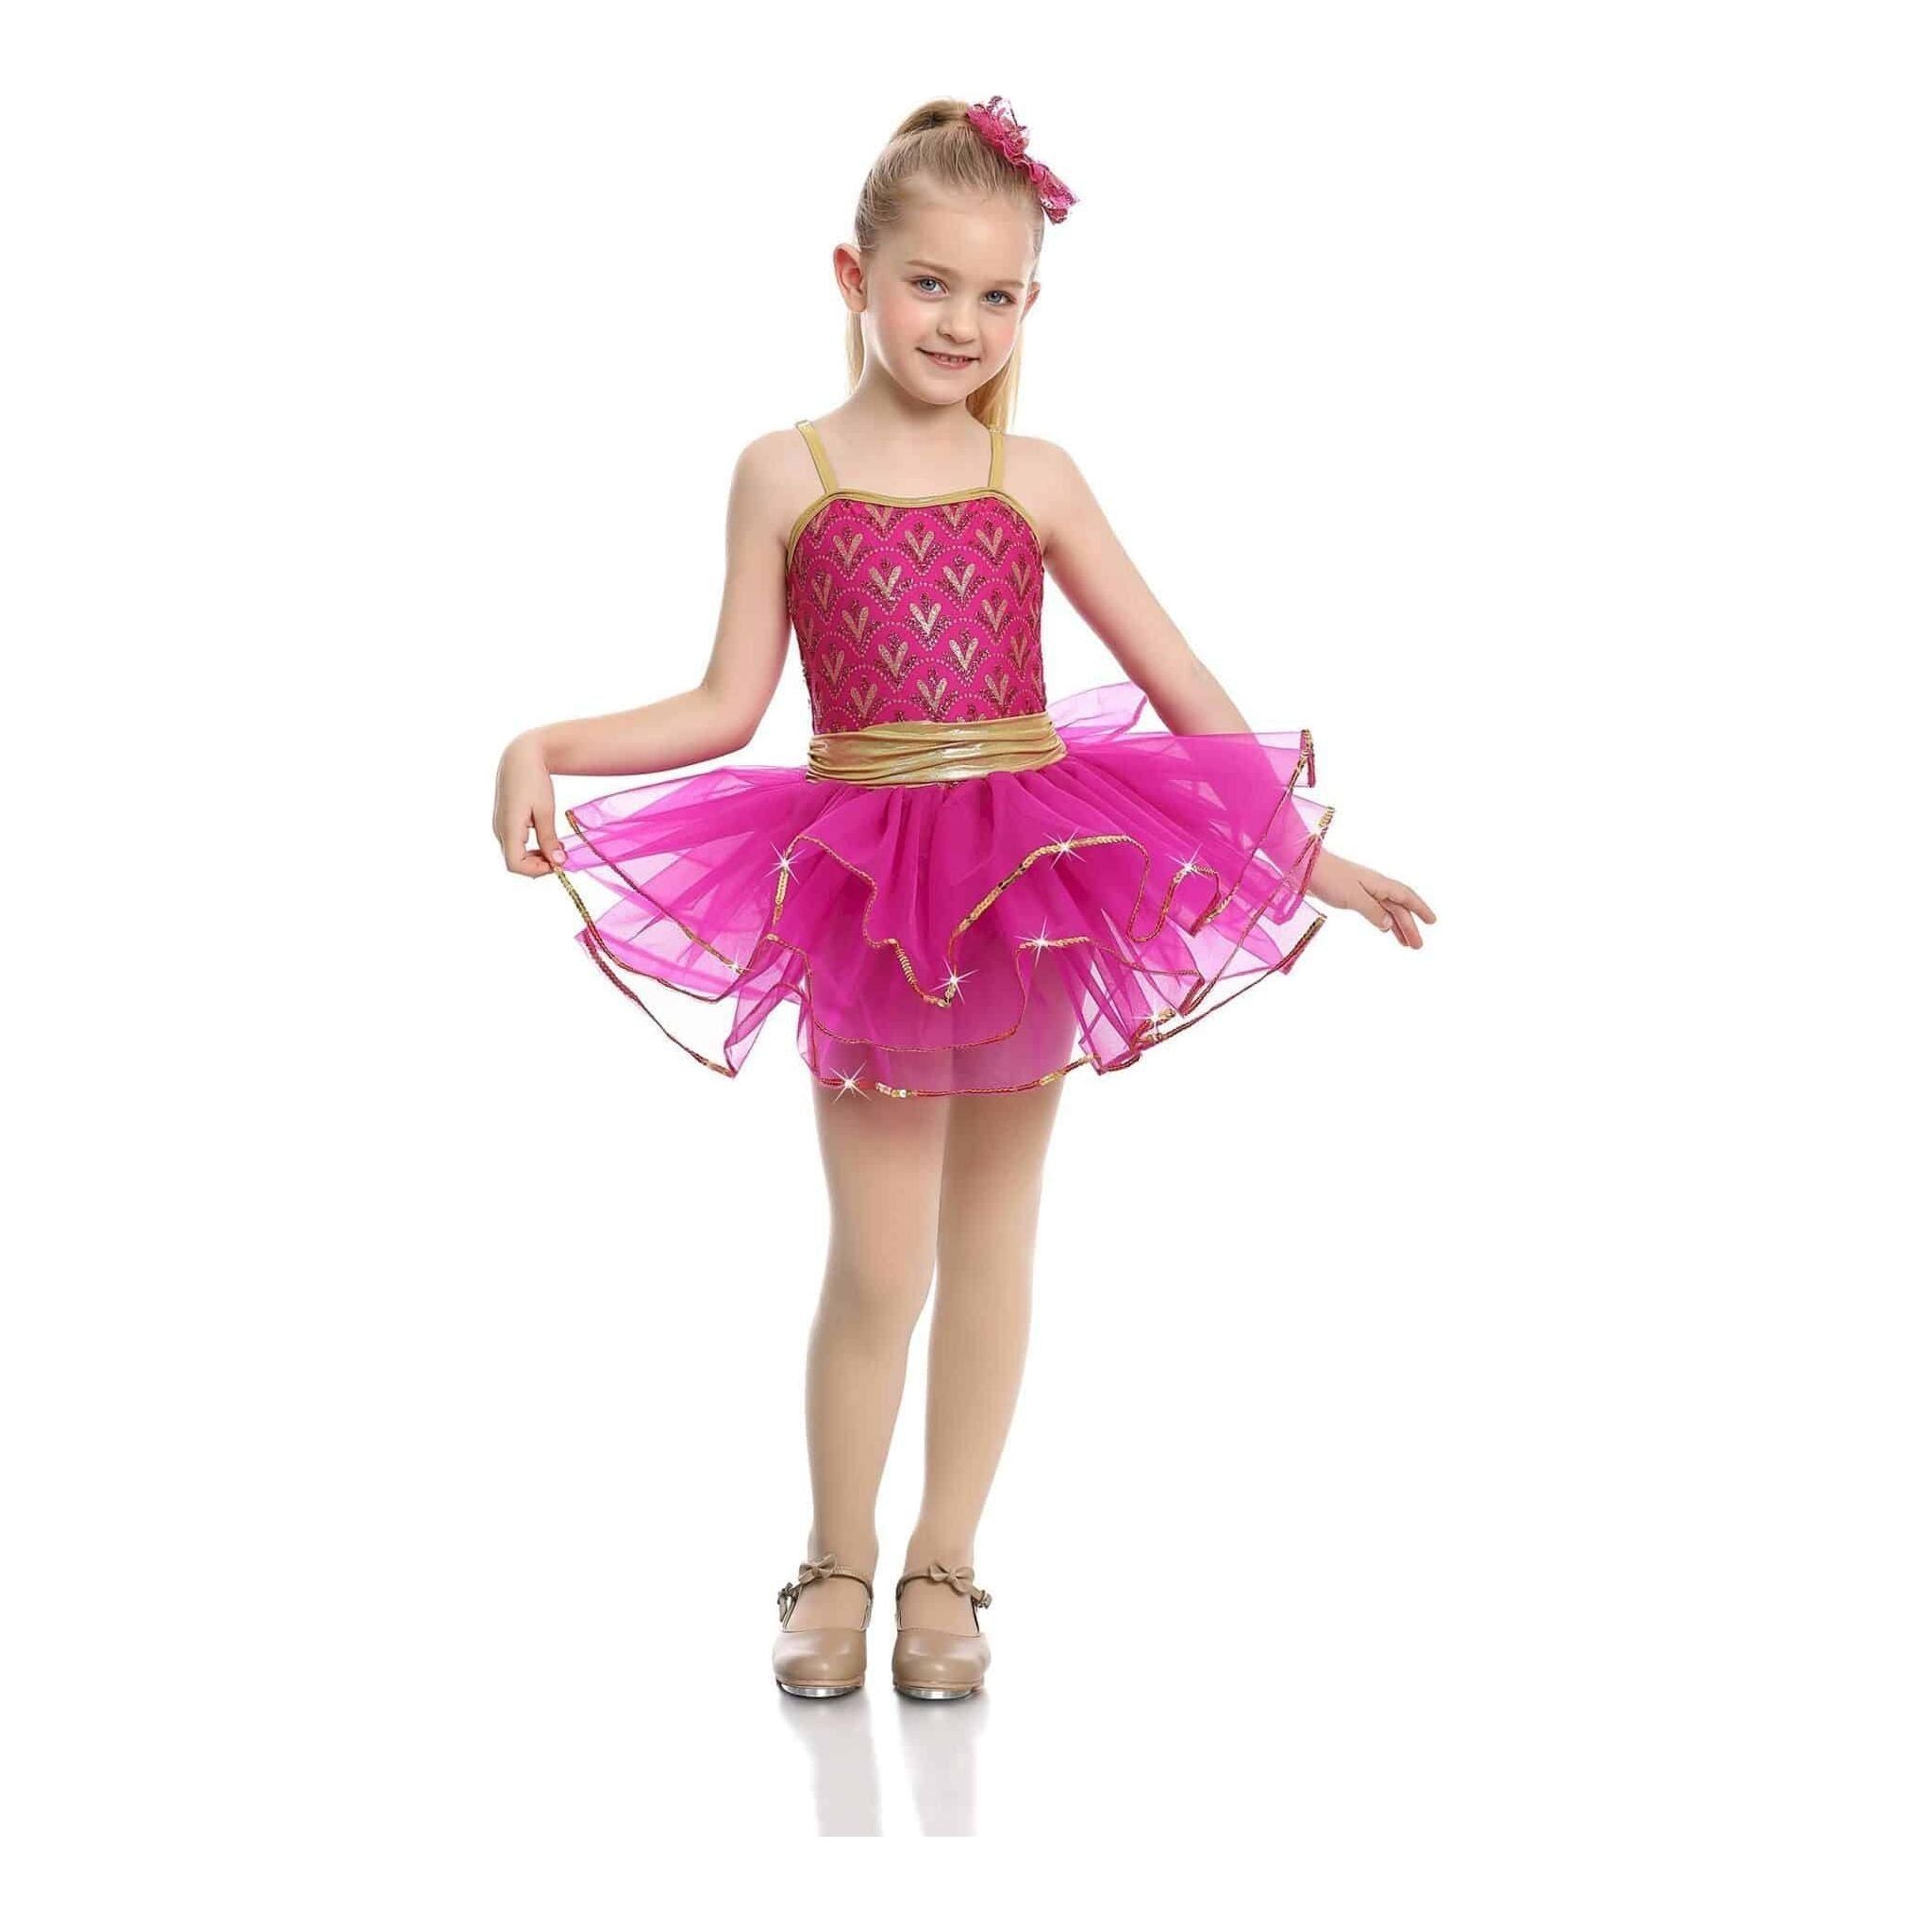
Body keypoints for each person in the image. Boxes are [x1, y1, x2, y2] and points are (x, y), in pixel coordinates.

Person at [491, 94, 1436, 1701]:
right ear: (852, 276)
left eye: (998, 295)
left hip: (1029, 880)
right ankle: (834, 1559)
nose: (961, 323)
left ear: (1032, 305)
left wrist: (1295, 853)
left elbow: (1180, 678)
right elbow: (725, 704)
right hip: (870, 889)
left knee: (994, 1241)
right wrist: (546, 743)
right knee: (880, 1260)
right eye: (930, 284)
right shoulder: (782, 472)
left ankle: (945, 1564)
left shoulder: (1036, 475)